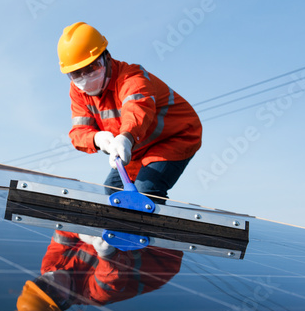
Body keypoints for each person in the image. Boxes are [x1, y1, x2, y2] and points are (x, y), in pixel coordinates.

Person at [57, 22, 202, 199]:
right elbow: (79, 131)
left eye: (91, 68)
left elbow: (137, 108)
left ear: (107, 58)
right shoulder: (78, 91)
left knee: (146, 191)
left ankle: (151, 226)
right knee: (113, 192)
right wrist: (96, 138)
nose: (85, 78)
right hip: (139, 147)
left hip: (176, 137)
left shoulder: (131, 77)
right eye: (76, 73)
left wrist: (126, 137)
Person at [15, 230, 183, 311]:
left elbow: (61, 231)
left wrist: (81, 233)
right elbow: (111, 274)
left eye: (41, 283)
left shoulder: (48, 267)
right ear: (65, 301)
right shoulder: (94, 295)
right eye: (53, 292)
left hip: (124, 234)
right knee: (145, 189)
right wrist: (106, 252)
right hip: (160, 251)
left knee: (115, 182)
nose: (51, 279)